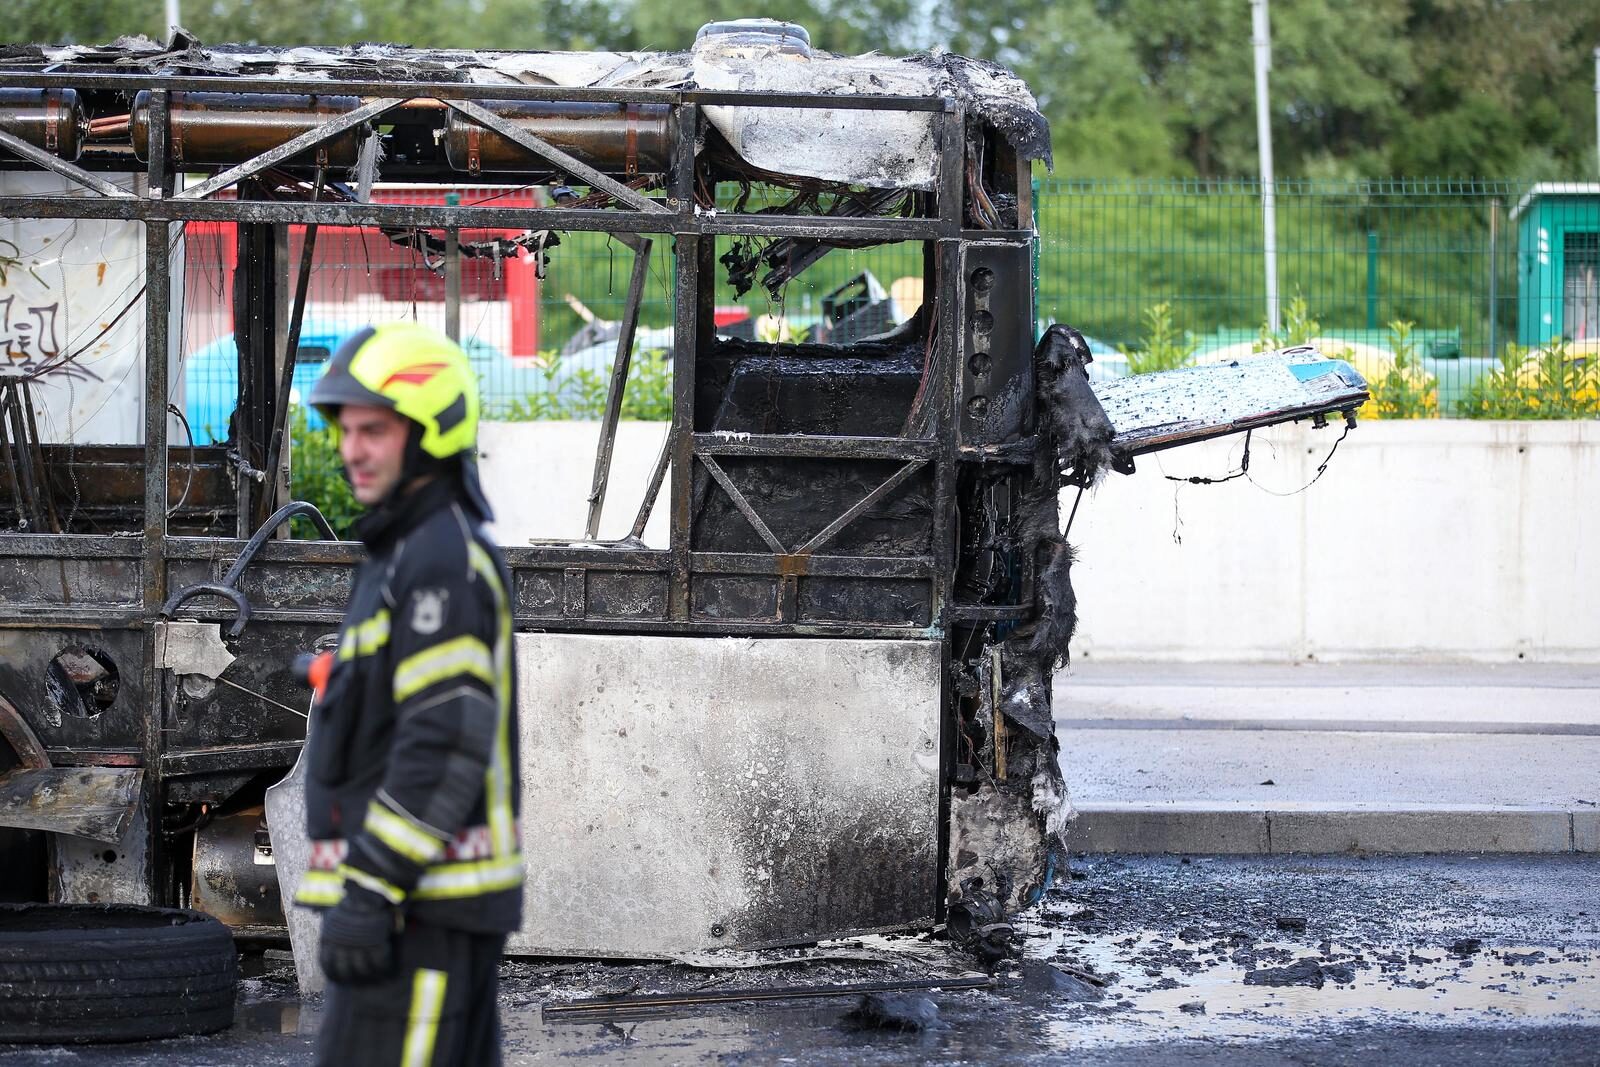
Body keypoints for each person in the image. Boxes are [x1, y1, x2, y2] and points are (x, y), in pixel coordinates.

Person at [296, 322, 522, 1067]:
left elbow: (446, 739)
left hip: (417, 910)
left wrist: (368, 891)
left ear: (429, 432)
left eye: (374, 430)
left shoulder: (437, 556)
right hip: (409, 908)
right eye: (347, 429)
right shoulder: (406, 550)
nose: (351, 449)